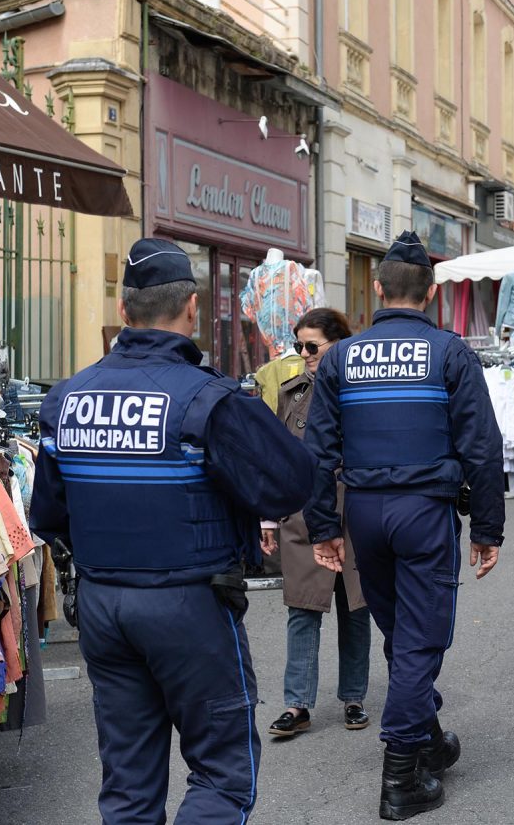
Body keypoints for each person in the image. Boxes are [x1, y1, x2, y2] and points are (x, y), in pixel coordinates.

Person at [29, 238, 316, 824]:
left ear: (123, 309)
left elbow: (47, 516)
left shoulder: (65, 401)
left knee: (130, 786)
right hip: (190, 605)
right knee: (222, 773)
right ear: (191, 308)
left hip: (105, 608)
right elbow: (292, 483)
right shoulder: (207, 398)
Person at [304, 230, 505, 821]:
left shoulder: (342, 357)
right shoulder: (449, 353)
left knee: (402, 635)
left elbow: (317, 452)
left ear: (376, 288)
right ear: (432, 290)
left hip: (365, 513)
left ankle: (429, 739)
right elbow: (482, 448)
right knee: (418, 640)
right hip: (424, 512)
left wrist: (323, 528)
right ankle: (400, 777)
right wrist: (488, 529)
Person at [259, 308, 372, 739]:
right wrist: (268, 517)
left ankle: (354, 697)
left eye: (312, 346)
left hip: (356, 511)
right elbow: (277, 462)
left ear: (338, 343)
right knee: (302, 608)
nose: (303, 354)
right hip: (304, 514)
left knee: (355, 607)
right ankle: (297, 704)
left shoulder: (361, 390)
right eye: (298, 345)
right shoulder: (292, 394)